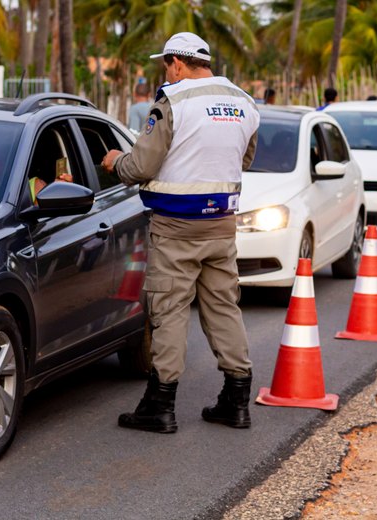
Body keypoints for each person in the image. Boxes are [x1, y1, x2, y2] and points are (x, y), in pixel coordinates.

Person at [101, 31, 260, 434]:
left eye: (165, 66)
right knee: (224, 306)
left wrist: (116, 161)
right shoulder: (243, 100)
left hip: (175, 227)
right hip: (222, 224)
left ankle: (160, 405)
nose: (166, 73)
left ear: (176, 63)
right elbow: (246, 156)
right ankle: (237, 399)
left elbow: (141, 167)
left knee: (169, 310)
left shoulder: (172, 101)